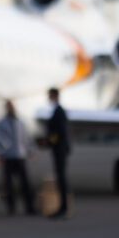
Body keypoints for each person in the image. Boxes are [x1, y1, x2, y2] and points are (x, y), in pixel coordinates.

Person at [0, 100, 35, 216]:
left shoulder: (20, 123)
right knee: (8, 185)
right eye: (9, 107)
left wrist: (30, 151)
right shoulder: (1, 124)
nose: (11, 109)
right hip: (8, 157)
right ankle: (11, 208)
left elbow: (25, 139)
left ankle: (29, 207)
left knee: (25, 183)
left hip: (20, 156)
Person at [46, 87, 71, 219]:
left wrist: (50, 141)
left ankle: (63, 207)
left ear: (54, 96)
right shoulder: (57, 111)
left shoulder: (59, 111)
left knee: (61, 178)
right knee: (60, 177)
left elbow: (60, 132)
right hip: (60, 149)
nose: (48, 98)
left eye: (50, 96)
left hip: (59, 149)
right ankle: (63, 207)